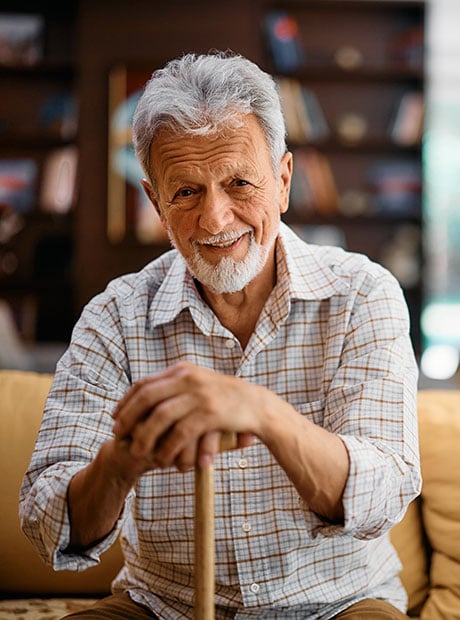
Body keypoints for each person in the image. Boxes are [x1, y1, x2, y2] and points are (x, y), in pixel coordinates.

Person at [20, 51, 421, 620]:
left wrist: (261, 412)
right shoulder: (114, 317)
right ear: (155, 201)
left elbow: (383, 496)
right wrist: (119, 462)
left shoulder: (363, 295)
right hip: (161, 606)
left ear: (282, 182)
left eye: (238, 183)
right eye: (185, 192)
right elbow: (44, 524)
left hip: (337, 603)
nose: (215, 219)